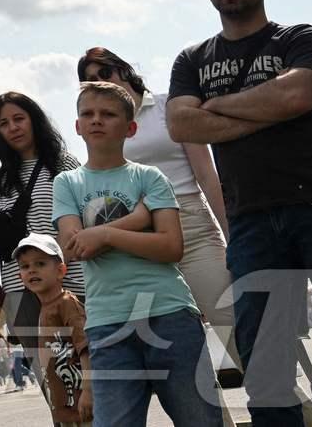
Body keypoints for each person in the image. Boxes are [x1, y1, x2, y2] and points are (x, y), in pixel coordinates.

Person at [167, 0, 312, 426]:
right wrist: (268, 110)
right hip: (252, 221)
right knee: (266, 370)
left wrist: (215, 107)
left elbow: (298, 94)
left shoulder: (301, 38)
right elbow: (181, 123)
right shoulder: (193, 59)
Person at [54, 81, 222, 426]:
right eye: (88, 114)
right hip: (107, 324)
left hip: (169, 312)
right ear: (77, 126)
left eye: (108, 114)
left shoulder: (150, 177)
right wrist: (139, 220)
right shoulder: (67, 183)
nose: (97, 120)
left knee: (200, 420)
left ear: (130, 128)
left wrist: (105, 232)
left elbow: (170, 248)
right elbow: (74, 247)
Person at [78, 47, 242, 381]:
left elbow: (207, 176)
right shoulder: (102, 126)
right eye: (89, 81)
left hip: (192, 226)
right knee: (185, 359)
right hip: (141, 242)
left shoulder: (169, 105)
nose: (99, 83)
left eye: (104, 73)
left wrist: (232, 234)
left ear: (123, 70)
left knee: (239, 331)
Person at [0, 92, 86, 386]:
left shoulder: (63, 164)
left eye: (19, 118)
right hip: (19, 287)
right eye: (3, 123)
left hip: (67, 281)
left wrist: (60, 270)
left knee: (84, 370)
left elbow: (79, 220)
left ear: (34, 120)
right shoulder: (1, 179)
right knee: (51, 379)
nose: (13, 127)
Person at [13, 232, 91, 424]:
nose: (32, 270)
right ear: (20, 276)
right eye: (25, 266)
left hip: (84, 407)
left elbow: (86, 348)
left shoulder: (66, 304)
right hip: (66, 410)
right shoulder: (45, 308)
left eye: (40, 264)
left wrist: (89, 391)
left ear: (60, 271)